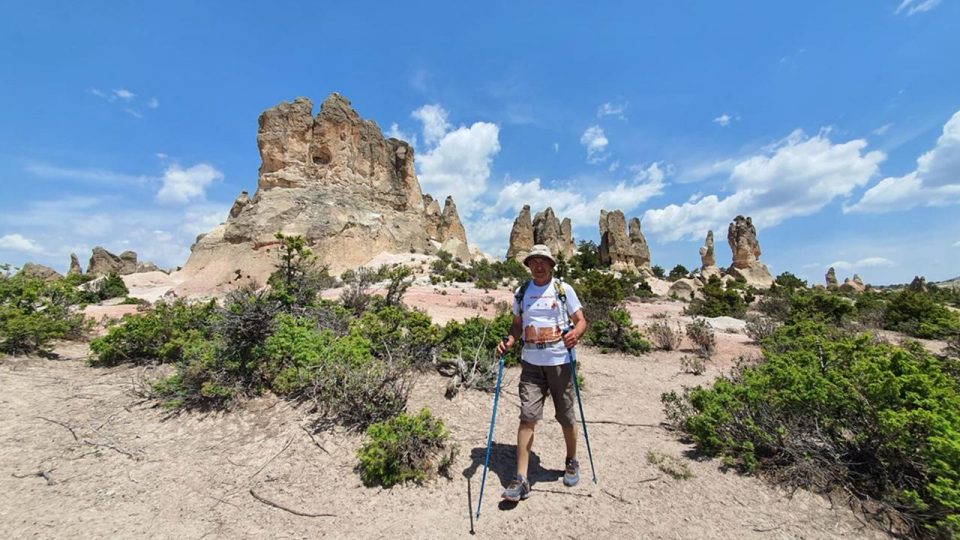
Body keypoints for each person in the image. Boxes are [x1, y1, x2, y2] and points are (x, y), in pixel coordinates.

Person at [497, 244, 588, 502]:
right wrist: (509, 341)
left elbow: (581, 320)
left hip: (560, 362)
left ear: (551, 264)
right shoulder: (521, 292)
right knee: (527, 416)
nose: (538, 265)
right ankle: (521, 479)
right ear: (528, 265)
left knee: (566, 415)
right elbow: (516, 326)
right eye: (534, 261)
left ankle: (571, 460)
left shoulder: (563, 289)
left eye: (543, 261)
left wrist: (575, 334)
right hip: (531, 364)